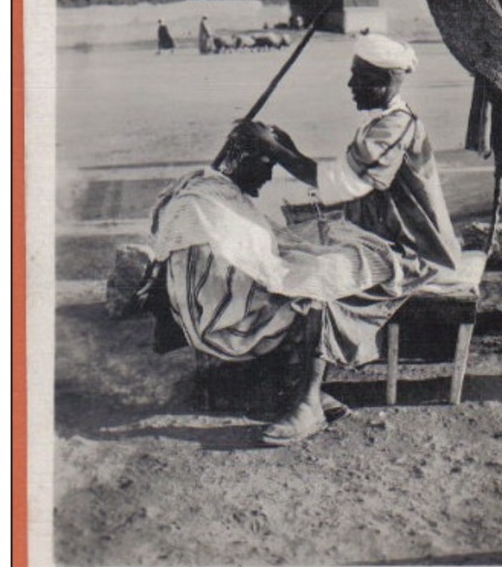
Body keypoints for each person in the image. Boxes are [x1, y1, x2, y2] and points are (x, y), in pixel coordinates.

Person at [147, 120, 408, 445]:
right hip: (220, 317)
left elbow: (249, 250)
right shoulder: (203, 204)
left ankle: (292, 388)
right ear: (242, 161)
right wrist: (293, 266)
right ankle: (307, 402)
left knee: (323, 259)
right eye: (266, 166)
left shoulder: (208, 188)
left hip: (225, 294)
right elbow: (257, 270)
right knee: (318, 287)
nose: (269, 177)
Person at [257, 34, 464, 288]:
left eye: (360, 77)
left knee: (306, 276)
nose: (350, 84)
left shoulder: (395, 127)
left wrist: (275, 150)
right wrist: (287, 148)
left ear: (386, 81)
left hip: (416, 252)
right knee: (291, 250)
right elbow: (342, 176)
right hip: (385, 237)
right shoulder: (382, 121)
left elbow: (343, 183)